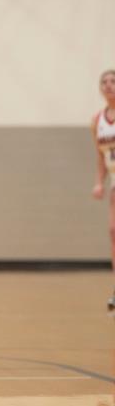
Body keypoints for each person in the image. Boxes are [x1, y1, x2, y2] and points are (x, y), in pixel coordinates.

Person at [91, 69, 115, 312]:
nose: (109, 86)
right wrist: (99, 181)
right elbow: (101, 156)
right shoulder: (97, 120)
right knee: (113, 232)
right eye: (104, 82)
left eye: (113, 81)